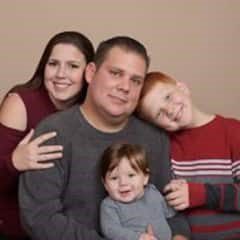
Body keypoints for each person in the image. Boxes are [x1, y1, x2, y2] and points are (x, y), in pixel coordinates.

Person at [19, 36, 190, 240]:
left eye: (136, 81)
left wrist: (180, 236)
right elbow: (40, 219)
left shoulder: (154, 138)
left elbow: (171, 206)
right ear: (91, 73)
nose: (125, 87)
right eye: (116, 73)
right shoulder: (54, 133)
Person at [0, 31, 94, 240]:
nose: (61, 74)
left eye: (73, 66)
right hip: (18, 228)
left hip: (69, 227)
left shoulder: (92, 110)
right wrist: (14, 162)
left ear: (89, 72)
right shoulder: (20, 103)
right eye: (53, 64)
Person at [136, 71, 240, 240]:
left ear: (182, 88)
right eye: (159, 114)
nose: (169, 110)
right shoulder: (166, 147)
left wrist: (201, 194)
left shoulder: (233, 131)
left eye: (168, 96)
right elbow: (166, 206)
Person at [100, 142, 183, 240]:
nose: (123, 183)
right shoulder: (110, 205)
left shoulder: (152, 193)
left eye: (131, 175)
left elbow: (169, 212)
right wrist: (138, 237)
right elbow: (110, 230)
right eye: (114, 178)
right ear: (105, 183)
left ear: (145, 178)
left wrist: (176, 195)